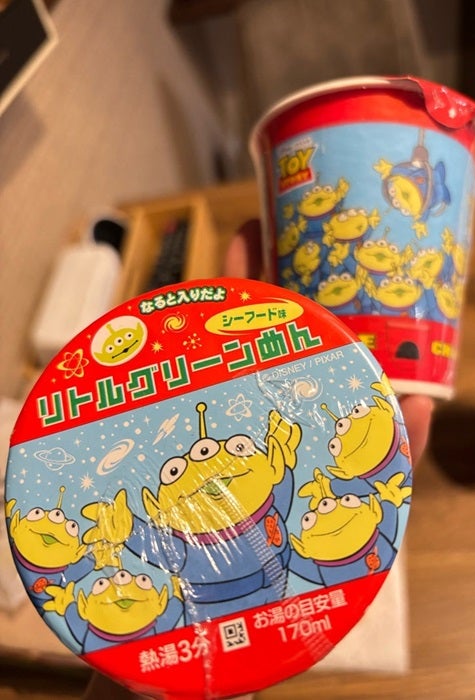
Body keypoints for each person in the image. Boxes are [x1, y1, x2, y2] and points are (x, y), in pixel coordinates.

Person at [83, 221, 433, 700]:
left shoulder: (268, 488)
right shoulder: (185, 543)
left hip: (273, 615)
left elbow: (283, 486)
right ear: (157, 500)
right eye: (176, 470)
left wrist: (291, 461)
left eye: (232, 448)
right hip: (208, 632)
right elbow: (159, 546)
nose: (208, 462)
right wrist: (126, 529)